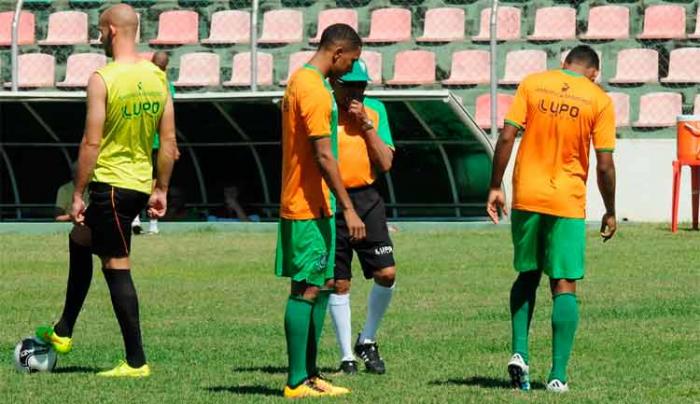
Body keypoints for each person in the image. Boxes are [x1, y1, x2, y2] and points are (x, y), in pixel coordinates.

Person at [35, 4, 177, 378]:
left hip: (111, 185)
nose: (98, 36)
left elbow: (91, 143)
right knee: (80, 237)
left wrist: (78, 192)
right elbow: (169, 140)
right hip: (138, 184)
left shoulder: (103, 78)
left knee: (117, 266)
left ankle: (135, 361)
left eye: (99, 30)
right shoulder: (157, 76)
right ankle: (63, 330)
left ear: (112, 30)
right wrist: (160, 188)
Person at [486, 45, 617, 393]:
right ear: (594, 73)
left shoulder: (533, 83)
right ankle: (557, 375)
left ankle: (519, 353)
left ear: (564, 64)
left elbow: (507, 135)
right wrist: (610, 208)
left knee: (527, 273)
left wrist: (495, 186)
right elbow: (604, 162)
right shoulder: (599, 99)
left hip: (527, 194)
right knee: (563, 283)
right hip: (566, 200)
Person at [275, 23, 365, 399]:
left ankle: (311, 375)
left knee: (323, 285)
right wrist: (349, 208)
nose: (351, 70)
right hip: (306, 204)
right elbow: (323, 153)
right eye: (352, 61)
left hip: (317, 204)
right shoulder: (312, 88)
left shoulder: (307, 82)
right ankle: (296, 381)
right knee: (307, 287)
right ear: (338, 52)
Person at [326, 60, 396, 375]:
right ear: (334, 83)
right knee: (338, 281)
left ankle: (366, 339)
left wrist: (366, 125)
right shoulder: (322, 110)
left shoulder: (376, 110)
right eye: (349, 85)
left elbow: (385, 163)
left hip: (367, 199)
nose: (357, 92)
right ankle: (346, 356)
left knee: (387, 273)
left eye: (362, 86)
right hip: (329, 200)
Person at [132, 51, 176, 235]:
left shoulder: (141, 83)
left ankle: (134, 217)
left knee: (135, 175)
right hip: (160, 141)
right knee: (156, 181)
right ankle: (153, 224)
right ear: (166, 67)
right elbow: (169, 119)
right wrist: (174, 144)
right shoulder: (167, 85)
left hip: (141, 137)